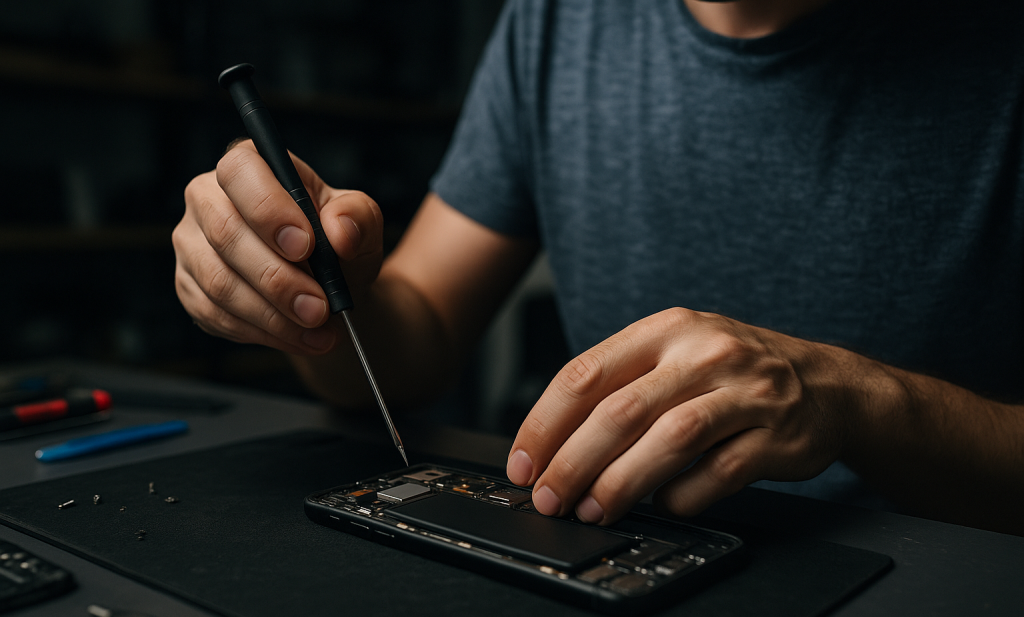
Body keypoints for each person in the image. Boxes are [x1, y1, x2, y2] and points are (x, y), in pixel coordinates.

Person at [173, 0, 1024, 535]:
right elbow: (413, 337)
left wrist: (862, 403)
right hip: (618, 559)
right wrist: (307, 294)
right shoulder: (558, 21)